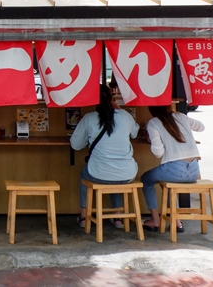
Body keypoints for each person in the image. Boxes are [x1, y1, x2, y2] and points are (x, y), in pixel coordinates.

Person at [70, 84, 140, 228]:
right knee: (115, 177)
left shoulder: (89, 118)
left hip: (98, 173)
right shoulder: (125, 116)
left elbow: (75, 145)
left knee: (86, 175)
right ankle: (118, 217)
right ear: (111, 98)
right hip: (127, 174)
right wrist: (119, 110)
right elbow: (135, 133)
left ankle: (84, 216)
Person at [140, 105, 205, 233]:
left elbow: (158, 153)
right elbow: (201, 127)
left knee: (146, 180)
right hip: (194, 170)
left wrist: (153, 140)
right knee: (170, 185)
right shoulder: (181, 116)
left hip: (174, 169)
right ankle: (176, 221)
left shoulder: (154, 123)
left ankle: (155, 220)